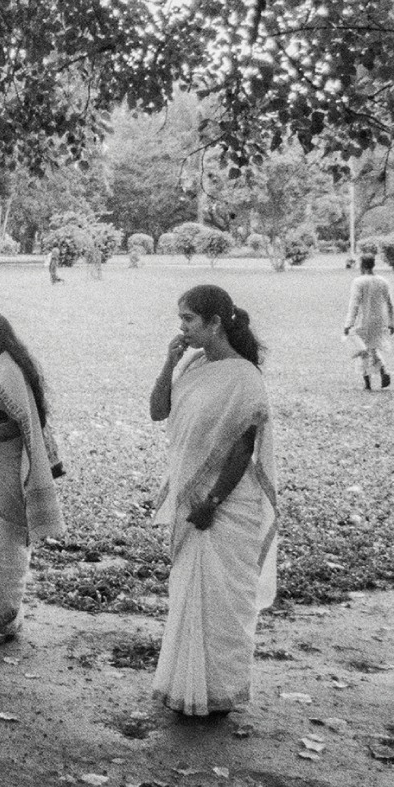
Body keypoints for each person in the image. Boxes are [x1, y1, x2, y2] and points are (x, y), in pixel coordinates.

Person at [146, 284, 280, 717]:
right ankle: (183, 687)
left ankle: (218, 691)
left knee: (222, 601)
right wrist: (169, 361)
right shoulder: (193, 364)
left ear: (216, 322)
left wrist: (214, 500)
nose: (181, 327)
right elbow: (158, 410)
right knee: (188, 595)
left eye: (188, 319)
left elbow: (243, 448)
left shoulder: (243, 376)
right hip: (194, 498)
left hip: (225, 503)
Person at [0, 304, 66, 645]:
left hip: (6, 468)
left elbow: (22, 422)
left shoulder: (7, 369)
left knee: (3, 541)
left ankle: (4, 619)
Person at [345, 255, 394, 390]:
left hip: (363, 320)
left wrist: (348, 324)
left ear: (362, 265)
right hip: (380, 320)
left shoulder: (359, 282)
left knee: (363, 350)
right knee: (372, 347)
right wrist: (391, 322)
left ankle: (367, 384)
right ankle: (383, 370)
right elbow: (390, 304)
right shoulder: (383, 281)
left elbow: (354, 305)